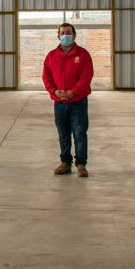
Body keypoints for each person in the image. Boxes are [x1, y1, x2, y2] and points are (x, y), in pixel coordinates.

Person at [42, 22, 94, 177]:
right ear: (58, 36)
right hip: (59, 102)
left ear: (74, 35)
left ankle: (81, 164)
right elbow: (46, 76)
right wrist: (55, 91)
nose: (65, 35)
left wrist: (73, 92)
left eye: (69, 32)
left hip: (78, 102)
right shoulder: (51, 56)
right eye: (63, 33)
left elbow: (86, 77)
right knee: (63, 134)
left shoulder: (83, 55)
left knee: (79, 133)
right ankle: (65, 162)